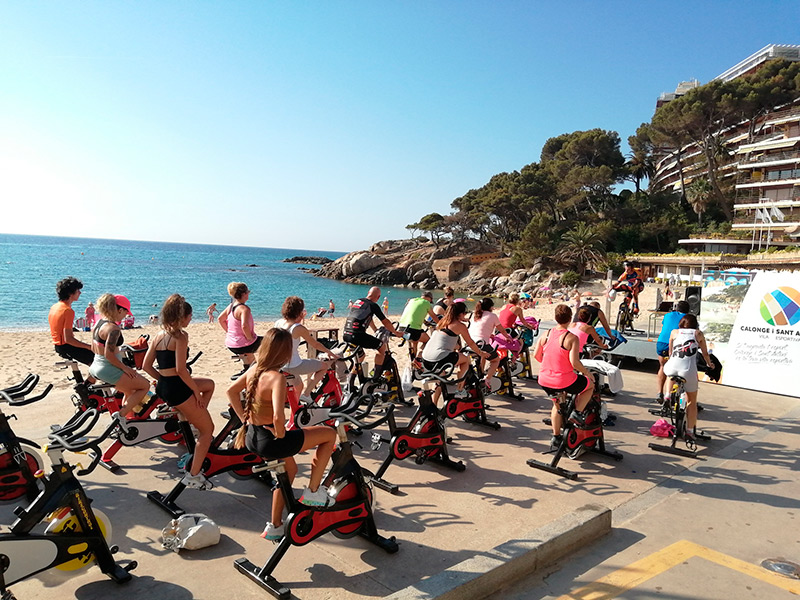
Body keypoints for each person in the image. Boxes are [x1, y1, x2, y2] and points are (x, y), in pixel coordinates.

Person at [228, 328, 337, 540]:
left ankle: (275, 525)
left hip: (252, 436)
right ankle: (313, 491)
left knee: (290, 470)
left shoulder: (253, 369)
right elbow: (279, 417)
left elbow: (231, 391)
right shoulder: (276, 377)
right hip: (271, 441)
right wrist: (280, 434)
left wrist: (245, 419)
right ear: (285, 353)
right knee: (329, 434)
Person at [143, 295, 215, 490]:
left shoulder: (159, 335)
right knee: (208, 431)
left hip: (164, 387)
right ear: (182, 316)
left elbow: (146, 365)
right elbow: (181, 369)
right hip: (178, 387)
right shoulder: (181, 336)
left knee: (209, 384)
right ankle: (194, 475)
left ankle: (193, 420)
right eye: (190, 316)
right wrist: (195, 392)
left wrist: (161, 379)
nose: (191, 319)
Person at [532, 304, 594, 450]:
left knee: (556, 404)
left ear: (555, 317)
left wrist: (551, 366)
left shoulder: (546, 334)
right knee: (589, 385)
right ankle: (577, 413)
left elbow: (536, 355)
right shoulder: (571, 337)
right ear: (570, 317)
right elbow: (574, 363)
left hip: (544, 380)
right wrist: (587, 373)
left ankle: (556, 436)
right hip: (563, 381)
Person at [89, 294, 150, 426]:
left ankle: (128, 420)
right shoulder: (113, 328)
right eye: (126, 312)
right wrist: (125, 368)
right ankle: (120, 416)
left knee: (129, 391)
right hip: (108, 368)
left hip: (96, 365)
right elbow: (110, 355)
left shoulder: (99, 323)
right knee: (145, 385)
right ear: (120, 310)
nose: (126, 316)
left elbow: (95, 347)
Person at [274, 296, 338, 400]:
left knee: (299, 386)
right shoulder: (298, 328)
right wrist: (328, 352)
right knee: (324, 366)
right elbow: (315, 344)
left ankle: (296, 408)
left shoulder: (278, 323)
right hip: (294, 365)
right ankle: (307, 395)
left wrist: (301, 319)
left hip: (280, 363)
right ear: (299, 311)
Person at [421, 301, 490, 397]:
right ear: (460, 314)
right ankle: (460, 390)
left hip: (426, 358)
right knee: (465, 360)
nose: (465, 315)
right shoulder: (460, 326)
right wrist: (481, 353)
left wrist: (456, 346)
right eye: (464, 313)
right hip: (439, 357)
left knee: (439, 381)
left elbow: (444, 339)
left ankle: (434, 406)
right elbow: (470, 343)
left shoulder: (442, 322)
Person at [663, 313, 714, 442]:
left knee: (670, 373)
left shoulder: (675, 332)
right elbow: (705, 353)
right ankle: (690, 431)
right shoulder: (698, 334)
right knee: (692, 401)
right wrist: (710, 364)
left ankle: (667, 395)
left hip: (672, 366)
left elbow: (670, 350)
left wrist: (670, 356)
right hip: (688, 370)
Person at [342, 287, 402, 380]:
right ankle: (376, 378)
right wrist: (395, 332)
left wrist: (375, 330)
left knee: (360, 358)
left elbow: (368, 317)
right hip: (357, 335)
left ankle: (351, 380)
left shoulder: (358, 301)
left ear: (368, 293)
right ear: (378, 297)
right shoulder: (373, 305)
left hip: (346, 334)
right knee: (381, 347)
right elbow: (385, 321)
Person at [468, 298, 513, 388]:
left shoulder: (474, 314)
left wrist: (489, 335)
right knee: (495, 360)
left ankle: (480, 374)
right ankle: (487, 379)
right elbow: (501, 330)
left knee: (483, 356)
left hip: (470, 344)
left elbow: (478, 328)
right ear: (490, 307)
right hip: (481, 345)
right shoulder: (492, 316)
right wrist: (507, 337)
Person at [49, 277, 94, 367]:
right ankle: (90, 381)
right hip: (66, 347)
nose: (80, 293)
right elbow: (68, 339)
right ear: (70, 293)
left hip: (58, 345)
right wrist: (89, 346)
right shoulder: (67, 311)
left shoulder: (55, 307)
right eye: (78, 291)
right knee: (98, 361)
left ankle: (90, 380)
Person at [218, 282, 262, 367]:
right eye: (247, 292)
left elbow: (220, 319)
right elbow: (244, 326)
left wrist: (229, 332)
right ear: (244, 294)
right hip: (243, 345)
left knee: (251, 356)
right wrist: (249, 338)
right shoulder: (244, 309)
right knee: (272, 343)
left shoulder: (231, 306)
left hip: (231, 344)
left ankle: (247, 367)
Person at [656, 300, 690, 403]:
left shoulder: (668, 315)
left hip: (661, 343)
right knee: (675, 369)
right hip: (675, 344)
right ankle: (670, 395)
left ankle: (659, 392)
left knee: (662, 366)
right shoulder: (687, 319)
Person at [397, 291, 439, 358]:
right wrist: (441, 325)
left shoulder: (412, 300)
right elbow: (434, 317)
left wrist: (425, 322)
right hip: (413, 329)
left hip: (401, 328)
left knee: (412, 341)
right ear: (430, 299)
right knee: (428, 342)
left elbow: (415, 314)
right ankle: (418, 358)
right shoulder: (427, 303)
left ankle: (412, 358)